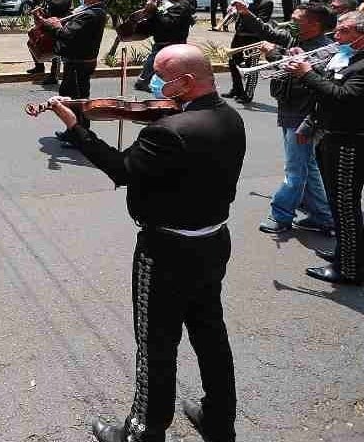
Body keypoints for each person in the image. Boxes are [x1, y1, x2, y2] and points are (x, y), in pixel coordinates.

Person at [36, 44, 244, 442]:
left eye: (162, 76)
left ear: (186, 82)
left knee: (155, 343)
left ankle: (143, 431)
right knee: (210, 332)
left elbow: (120, 169)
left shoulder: (168, 131)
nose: (154, 83)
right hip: (214, 240)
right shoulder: (229, 117)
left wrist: (75, 127)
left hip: (167, 250)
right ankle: (219, 419)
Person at [285, 11, 364, 285]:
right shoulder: (356, 60)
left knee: (345, 206)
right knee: (338, 204)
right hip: (336, 139)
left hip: (352, 143)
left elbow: (343, 98)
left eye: (344, 31)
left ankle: (350, 269)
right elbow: (331, 89)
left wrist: (307, 74)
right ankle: (346, 254)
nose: (336, 36)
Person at [233, 0, 336, 236]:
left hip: (304, 115)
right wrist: (246, 14)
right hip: (290, 110)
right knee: (306, 166)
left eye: (297, 19)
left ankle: (281, 215)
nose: (292, 22)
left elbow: (314, 80)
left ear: (314, 24)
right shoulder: (296, 38)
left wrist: (274, 55)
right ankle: (323, 217)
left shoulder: (323, 50)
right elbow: (267, 31)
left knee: (295, 170)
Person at [33, 0, 107, 139]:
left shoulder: (92, 14)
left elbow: (67, 34)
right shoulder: (91, 10)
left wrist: (55, 26)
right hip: (78, 60)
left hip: (79, 62)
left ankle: (79, 134)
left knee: (75, 100)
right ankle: (73, 131)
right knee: (71, 96)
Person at [133, 0, 196, 92]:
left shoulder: (182, 6)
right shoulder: (174, 4)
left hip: (171, 43)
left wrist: (154, 11)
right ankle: (145, 81)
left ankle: (147, 82)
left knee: (158, 62)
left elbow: (168, 23)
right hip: (164, 41)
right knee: (155, 61)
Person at [223, 0, 273, 104]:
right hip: (239, 35)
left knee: (252, 66)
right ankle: (236, 89)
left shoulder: (265, 2)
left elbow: (262, 21)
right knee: (233, 63)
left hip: (253, 38)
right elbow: (237, 17)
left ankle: (248, 94)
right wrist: (232, 12)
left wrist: (246, 9)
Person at [28, 0, 71, 84]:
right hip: (45, 21)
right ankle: (39, 66)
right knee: (32, 41)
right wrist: (37, 0)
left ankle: (53, 76)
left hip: (56, 23)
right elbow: (45, 4)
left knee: (54, 48)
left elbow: (60, 6)